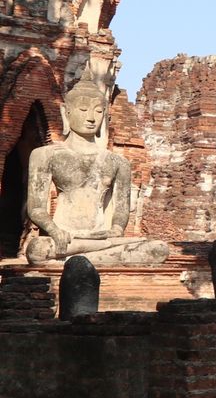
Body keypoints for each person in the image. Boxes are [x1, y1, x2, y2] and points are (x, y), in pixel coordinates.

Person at [24, 72, 168, 265]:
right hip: (65, 238)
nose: (91, 118)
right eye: (83, 109)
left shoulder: (117, 161)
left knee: (158, 249)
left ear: (105, 116)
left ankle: (79, 262)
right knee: (37, 250)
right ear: (65, 113)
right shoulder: (45, 155)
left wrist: (116, 229)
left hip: (102, 239)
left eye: (98, 111)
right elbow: (36, 209)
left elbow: (121, 212)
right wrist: (55, 230)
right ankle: (89, 261)